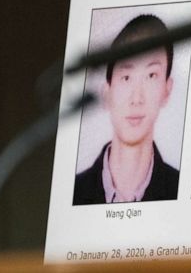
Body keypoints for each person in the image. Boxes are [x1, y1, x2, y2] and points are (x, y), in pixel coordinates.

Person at [74, 14, 179, 204]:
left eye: (151, 75)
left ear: (167, 90)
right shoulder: (75, 192)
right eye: (126, 77)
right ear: (107, 92)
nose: (136, 98)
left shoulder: (180, 188)